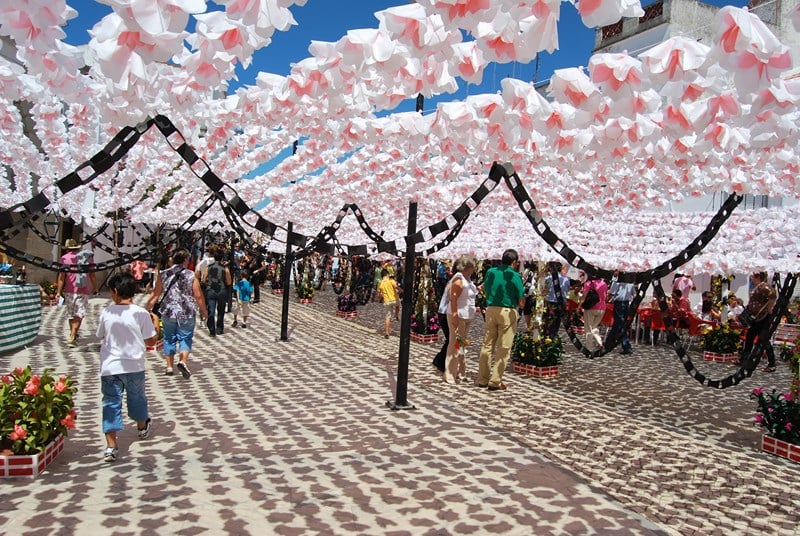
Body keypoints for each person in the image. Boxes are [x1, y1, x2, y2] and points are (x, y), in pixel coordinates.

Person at [96, 273, 158, 462]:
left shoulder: (107, 313)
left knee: (111, 403)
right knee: (137, 398)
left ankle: (111, 446)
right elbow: (151, 340)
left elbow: (100, 334)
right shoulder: (141, 313)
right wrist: (155, 323)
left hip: (110, 367)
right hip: (134, 366)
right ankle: (141, 427)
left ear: (115, 292)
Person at [146, 249, 207, 378]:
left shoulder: (164, 274)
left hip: (168, 311)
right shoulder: (191, 275)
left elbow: (156, 293)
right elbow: (198, 295)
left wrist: (148, 307)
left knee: (169, 338)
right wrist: (203, 310)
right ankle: (183, 361)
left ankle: (169, 366)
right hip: (187, 311)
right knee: (185, 337)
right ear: (185, 260)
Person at [477, 249, 525, 391]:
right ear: (514, 262)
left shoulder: (491, 272)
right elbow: (521, 301)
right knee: (504, 347)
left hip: (491, 309)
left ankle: (482, 379)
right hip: (507, 311)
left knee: (487, 345)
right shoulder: (515, 276)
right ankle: (495, 380)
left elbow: (485, 288)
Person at [55, 238, 97, 347]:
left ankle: (72, 335)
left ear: (67, 248)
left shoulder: (64, 258)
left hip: (69, 290)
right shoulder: (86, 257)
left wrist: (58, 292)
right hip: (83, 290)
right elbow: (92, 274)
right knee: (79, 312)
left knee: (71, 314)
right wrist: (95, 287)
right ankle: (73, 334)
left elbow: (61, 277)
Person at [443, 255, 479, 384]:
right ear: (467, 267)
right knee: (454, 343)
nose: (475, 269)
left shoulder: (467, 279)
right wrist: (454, 315)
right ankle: (449, 373)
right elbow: (454, 299)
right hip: (459, 315)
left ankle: (460, 371)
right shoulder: (459, 280)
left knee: (461, 343)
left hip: (467, 315)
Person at [740, 272, 778, 372]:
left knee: (763, 340)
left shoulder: (763, 286)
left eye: (753, 276)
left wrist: (769, 309)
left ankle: (771, 363)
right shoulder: (759, 287)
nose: (751, 278)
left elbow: (773, 294)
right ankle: (743, 359)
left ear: (758, 277)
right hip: (757, 318)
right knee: (751, 337)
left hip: (762, 318)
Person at [202, 249, 232, 336]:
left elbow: (203, 280)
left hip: (210, 290)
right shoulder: (225, 268)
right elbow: (229, 282)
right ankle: (219, 329)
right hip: (222, 290)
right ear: (222, 258)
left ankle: (211, 330)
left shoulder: (208, 267)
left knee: (211, 310)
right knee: (221, 310)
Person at [604, 270, 635, 354]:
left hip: (619, 304)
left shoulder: (617, 283)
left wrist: (605, 301)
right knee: (618, 324)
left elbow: (611, 294)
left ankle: (626, 345)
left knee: (620, 324)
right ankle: (608, 342)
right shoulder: (630, 284)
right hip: (626, 304)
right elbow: (634, 294)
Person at [581, 271, 608, 353]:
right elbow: (605, 296)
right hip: (602, 308)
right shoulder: (604, 284)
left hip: (591, 308)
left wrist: (579, 306)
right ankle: (600, 343)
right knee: (594, 327)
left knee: (588, 328)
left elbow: (584, 297)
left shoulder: (588, 283)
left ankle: (589, 348)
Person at [542, 262, 570, 337]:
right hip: (561, 303)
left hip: (550, 302)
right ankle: (554, 335)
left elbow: (544, 290)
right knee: (557, 321)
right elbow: (567, 290)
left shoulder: (548, 278)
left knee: (549, 322)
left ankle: (548, 337)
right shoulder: (566, 279)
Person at [431, 280, 450, 374]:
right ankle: (440, 361)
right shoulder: (455, 282)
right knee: (451, 340)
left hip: (446, 312)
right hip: (446, 313)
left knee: (452, 340)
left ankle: (440, 360)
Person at [376, 268, 400, 338]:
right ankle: (396, 314)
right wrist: (401, 290)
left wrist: (380, 298)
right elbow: (396, 287)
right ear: (387, 275)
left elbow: (378, 295)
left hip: (387, 301)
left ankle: (387, 333)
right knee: (398, 305)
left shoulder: (380, 283)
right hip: (394, 299)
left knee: (387, 317)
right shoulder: (391, 281)